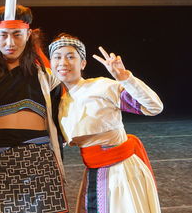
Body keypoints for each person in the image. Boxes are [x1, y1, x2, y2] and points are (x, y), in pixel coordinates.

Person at [0, 5, 69, 213]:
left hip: (41, 162)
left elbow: (62, 124)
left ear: (28, 34)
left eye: (17, 34)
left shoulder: (45, 76)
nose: (10, 42)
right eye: (3, 35)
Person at [48, 33, 163, 213]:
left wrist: (125, 77)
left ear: (83, 63)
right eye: (57, 57)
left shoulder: (101, 87)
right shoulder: (61, 103)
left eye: (71, 56)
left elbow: (153, 107)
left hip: (122, 172)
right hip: (95, 173)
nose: (63, 62)